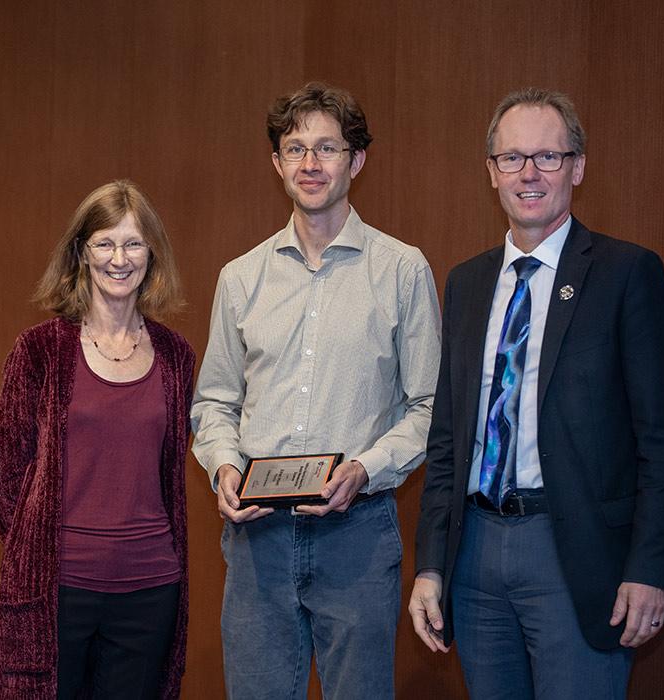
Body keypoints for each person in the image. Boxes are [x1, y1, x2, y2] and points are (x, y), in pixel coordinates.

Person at [408, 88, 664, 698]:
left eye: (547, 157)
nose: (528, 173)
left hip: (575, 555)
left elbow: (663, 443)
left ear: (578, 167)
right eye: (511, 158)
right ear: (491, 172)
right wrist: (431, 564)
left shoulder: (626, 274)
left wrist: (650, 569)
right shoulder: (466, 281)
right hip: (475, 555)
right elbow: (449, 440)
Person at [190, 82, 441, 699]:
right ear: (276, 163)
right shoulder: (240, 277)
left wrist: (364, 467)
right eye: (295, 148)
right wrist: (224, 466)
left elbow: (429, 408)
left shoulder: (403, 270)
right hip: (256, 541)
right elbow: (214, 402)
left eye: (327, 148)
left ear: (356, 160)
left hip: (357, 535)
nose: (310, 164)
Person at [0, 180, 195, 699]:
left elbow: (178, 465)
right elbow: (5, 465)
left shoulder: (176, 356)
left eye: (133, 243)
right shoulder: (40, 350)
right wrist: (34, 549)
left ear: (152, 253)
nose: (119, 258)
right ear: (81, 252)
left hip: (150, 591)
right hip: (56, 590)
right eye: (104, 243)